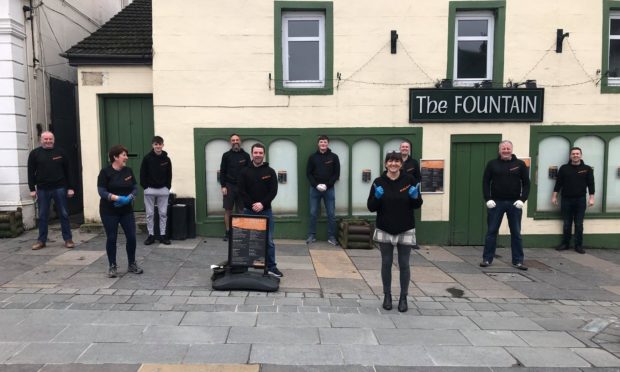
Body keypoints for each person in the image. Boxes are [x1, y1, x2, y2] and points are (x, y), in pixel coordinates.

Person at [367, 151, 422, 313]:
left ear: (401, 164)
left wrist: (415, 197)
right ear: (386, 164)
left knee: (404, 264)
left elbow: (418, 204)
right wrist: (376, 197)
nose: (393, 164)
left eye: (397, 161)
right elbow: (371, 207)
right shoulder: (378, 182)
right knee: (386, 263)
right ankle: (387, 296)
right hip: (385, 227)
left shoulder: (409, 180)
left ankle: (403, 297)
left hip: (405, 228)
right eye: (390, 161)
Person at [481, 140, 530, 270]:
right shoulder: (492, 164)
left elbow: (526, 184)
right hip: (496, 203)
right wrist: (488, 199)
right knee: (491, 232)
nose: (506, 151)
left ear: (512, 150)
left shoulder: (520, 164)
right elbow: (486, 182)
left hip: (514, 203)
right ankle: (487, 259)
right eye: (503, 148)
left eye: (508, 148)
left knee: (516, 233)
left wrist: (522, 199)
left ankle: (518, 261)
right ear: (499, 150)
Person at [97, 145, 143, 278]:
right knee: (112, 237)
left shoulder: (128, 171)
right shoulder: (105, 173)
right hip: (109, 211)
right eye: (124, 155)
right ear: (115, 157)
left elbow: (135, 188)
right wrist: (116, 198)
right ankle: (112, 266)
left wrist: (129, 198)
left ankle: (132, 264)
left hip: (126, 210)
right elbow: (101, 192)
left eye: (126, 155)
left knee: (132, 236)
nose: (126, 157)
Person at [238, 143, 282, 277]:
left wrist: (262, 204)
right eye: (255, 153)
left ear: (263, 154)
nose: (258, 155)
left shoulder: (270, 172)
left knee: (268, 241)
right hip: (248, 211)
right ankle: (244, 267)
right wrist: (252, 204)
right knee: (246, 240)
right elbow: (242, 191)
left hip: (265, 211)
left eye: (260, 153)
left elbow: (273, 191)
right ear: (252, 154)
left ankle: (271, 267)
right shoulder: (244, 171)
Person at [27, 131, 75, 250]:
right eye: (45, 139)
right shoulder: (34, 154)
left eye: (50, 139)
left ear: (54, 140)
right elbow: (30, 172)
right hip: (42, 189)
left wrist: (70, 187)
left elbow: (68, 171)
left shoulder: (61, 152)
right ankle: (41, 240)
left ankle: (68, 239)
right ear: (41, 140)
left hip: (60, 188)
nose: (48, 141)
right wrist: (32, 189)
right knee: (43, 215)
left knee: (63, 214)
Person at [551, 147, 595, 254]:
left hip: (580, 200)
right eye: (573, 154)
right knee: (567, 223)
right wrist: (554, 196)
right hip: (566, 199)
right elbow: (558, 184)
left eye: (577, 154)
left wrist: (591, 198)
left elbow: (591, 184)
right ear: (570, 156)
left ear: (581, 155)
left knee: (579, 224)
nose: (575, 155)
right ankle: (565, 244)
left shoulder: (587, 169)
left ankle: (578, 245)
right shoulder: (564, 168)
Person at [306, 135, 340, 245]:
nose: (323, 144)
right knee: (313, 213)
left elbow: (336, 174)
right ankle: (312, 235)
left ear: (328, 143)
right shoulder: (312, 157)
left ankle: (331, 237)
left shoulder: (334, 157)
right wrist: (316, 185)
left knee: (331, 213)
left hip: (329, 189)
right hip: (315, 189)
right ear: (318, 144)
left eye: (325, 142)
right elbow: (308, 173)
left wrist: (328, 185)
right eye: (321, 142)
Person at [140, 136, 172, 245]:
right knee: (150, 214)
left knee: (163, 213)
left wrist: (167, 187)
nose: (158, 146)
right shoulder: (147, 158)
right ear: (152, 145)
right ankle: (151, 235)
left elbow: (169, 175)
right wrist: (145, 186)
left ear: (163, 145)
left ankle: (162, 235)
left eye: (160, 144)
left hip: (163, 189)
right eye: (155, 144)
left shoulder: (167, 159)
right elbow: (142, 174)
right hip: (149, 190)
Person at [219, 134, 251, 241]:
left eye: (237, 140)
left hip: (242, 187)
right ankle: (228, 231)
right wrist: (223, 186)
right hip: (229, 186)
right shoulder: (226, 155)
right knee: (228, 210)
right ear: (230, 142)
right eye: (233, 140)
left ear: (240, 141)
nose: (235, 142)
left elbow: (249, 172)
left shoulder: (246, 156)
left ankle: (240, 232)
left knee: (241, 210)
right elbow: (222, 171)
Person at [400, 140, 422, 250]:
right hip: (397, 193)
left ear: (409, 149)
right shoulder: (396, 161)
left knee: (410, 217)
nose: (404, 148)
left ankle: (412, 241)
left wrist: (414, 189)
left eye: (406, 147)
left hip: (409, 194)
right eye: (403, 147)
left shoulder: (413, 162)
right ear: (400, 149)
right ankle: (397, 240)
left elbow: (418, 178)